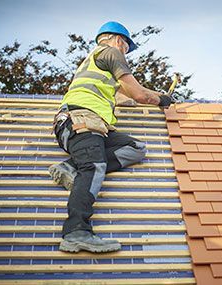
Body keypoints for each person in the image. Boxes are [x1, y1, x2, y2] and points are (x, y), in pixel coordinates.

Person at [49, 21, 172, 253]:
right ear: (118, 40)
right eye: (126, 46)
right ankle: (77, 232)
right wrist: (159, 101)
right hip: (81, 120)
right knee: (94, 167)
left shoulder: (98, 63)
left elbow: (131, 93)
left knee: (135, 148)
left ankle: (71, 167)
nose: (126, 52)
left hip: (90, 126)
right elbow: (138, 94)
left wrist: (161, 95)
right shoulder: (111, 52)